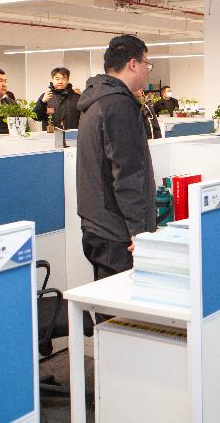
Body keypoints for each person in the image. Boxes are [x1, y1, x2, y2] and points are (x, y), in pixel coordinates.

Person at [76, 35, 157, 281]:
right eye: (147, 63)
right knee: (124, 302)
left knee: (107, 298)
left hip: (98, 225)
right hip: (117, 232)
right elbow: (126, 173)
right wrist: (139, 231)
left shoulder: (97, 101)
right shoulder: (118, 105)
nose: (148, 69)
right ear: (133, 64)